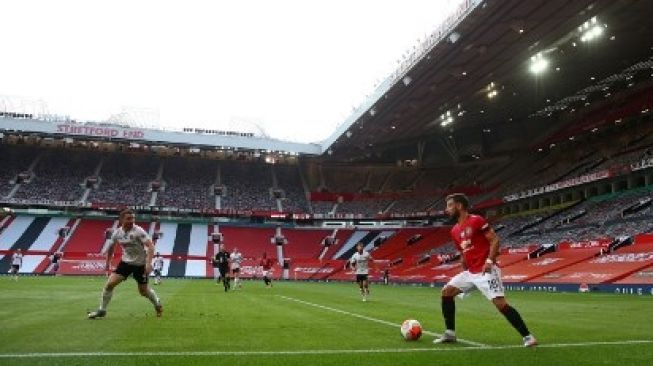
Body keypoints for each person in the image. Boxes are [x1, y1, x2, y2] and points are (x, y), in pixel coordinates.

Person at [433, 193, 537, 347]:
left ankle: (528, 337)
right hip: (471, 272)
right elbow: (463, 253)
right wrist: (464, 271)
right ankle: (450, 333)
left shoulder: (476, 220)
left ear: (459, 206)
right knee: (447, 292)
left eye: (449, 205)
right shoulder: (454, 230)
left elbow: (494, 240)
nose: (446, 209)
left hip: (486, 270)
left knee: (500, 304)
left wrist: (489, 261)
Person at [87, 209, 162, 319]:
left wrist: (148, 263)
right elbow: (111, 248)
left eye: (133, 218)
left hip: (140, 265)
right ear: (121, 219)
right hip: (125, 263)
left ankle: (157, 304)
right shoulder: (117, 233)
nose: (132, 220)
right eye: (129, 218)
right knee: (109, 285)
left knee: (143, 291)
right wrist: (108, 262)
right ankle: (102, 310)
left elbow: (150, 246)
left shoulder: (138, 231)